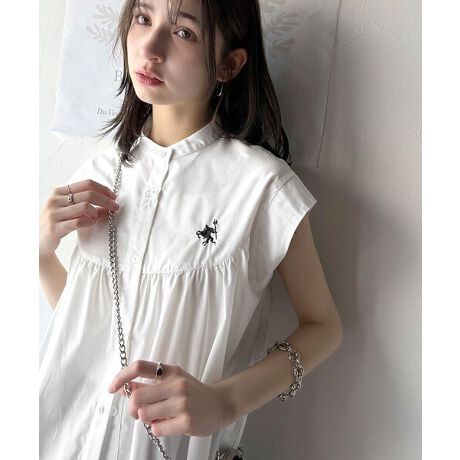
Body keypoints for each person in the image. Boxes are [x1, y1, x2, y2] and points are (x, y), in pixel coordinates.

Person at [39, 0, 343, 459]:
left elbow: (324, 327)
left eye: (183, 32)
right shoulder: (98, 173)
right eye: (143, 19)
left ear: (228, 64)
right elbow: (93, 325)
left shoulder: (261, 188)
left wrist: (225, 402)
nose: (150, 47)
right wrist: (41, 254)